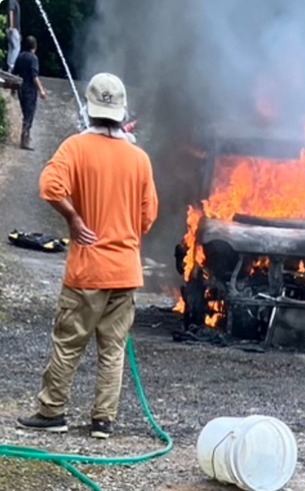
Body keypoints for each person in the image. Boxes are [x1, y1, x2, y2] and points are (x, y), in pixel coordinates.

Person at [17, 73, 159, 439]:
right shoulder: (139, 159)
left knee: (69, 343)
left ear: (89, 109)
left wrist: (75, 218)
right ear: (120, 109)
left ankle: (52, 411)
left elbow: (49, 187)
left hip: (87, 271)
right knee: (112, 350)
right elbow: (149, 215)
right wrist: (125, 235)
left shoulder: (74, 149)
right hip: (125, 272)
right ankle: (102, 421)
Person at [12, 35, 47, 150]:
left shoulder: (20, 56)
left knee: (25, 113)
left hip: (20, 89)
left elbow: (14, 73)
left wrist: (13, 88)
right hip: (30, 90)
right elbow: (34, 76)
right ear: (34, 46)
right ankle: (24, 140)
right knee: (29, 115)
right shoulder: (33, 58)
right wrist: (41, 90)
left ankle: (26, 137)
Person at [6, 0, 21, 72]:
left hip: (14, 29)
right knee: (16, 48)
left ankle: (9, 66)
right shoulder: (12, 1)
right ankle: (11, 66)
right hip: (13, 28)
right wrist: (11, 26)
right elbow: (11, 12)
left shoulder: (15, 3)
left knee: (11, 48)